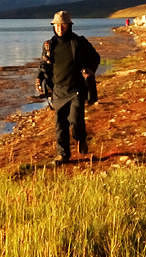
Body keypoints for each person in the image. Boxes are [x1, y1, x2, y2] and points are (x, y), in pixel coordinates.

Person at [36, 10, 100, 164]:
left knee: (76, 120)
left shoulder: (79, 42)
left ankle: (80, 138)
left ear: (69, 25)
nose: (59, 28)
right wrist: (39, 78)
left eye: (62, 25)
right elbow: (43, 65)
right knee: (60, 124)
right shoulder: (48, 45)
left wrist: (90, 70)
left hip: (77, 88)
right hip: (58, 90)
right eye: (56, 25)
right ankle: (63, 155)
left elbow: (96, 57)